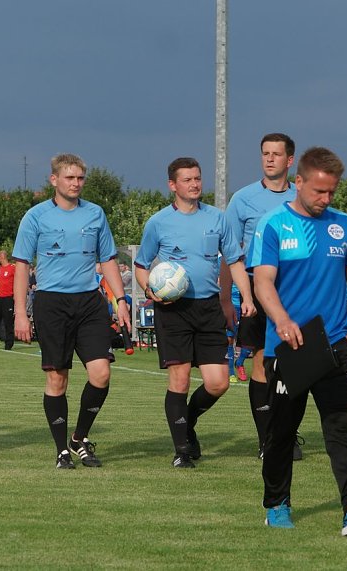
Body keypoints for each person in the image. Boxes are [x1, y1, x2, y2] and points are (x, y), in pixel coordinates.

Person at [249, 146, 347, 535]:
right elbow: (263, 282)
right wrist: (282, 320)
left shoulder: (344, 227)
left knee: (342, 429)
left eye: (332, 192)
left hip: (337, 346)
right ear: (299, 182)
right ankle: (276, 505)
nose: (326, 200)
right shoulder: (273, 224)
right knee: (282, 434)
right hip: (287, 348)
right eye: (319, 192)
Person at [13, 153, 131, 469]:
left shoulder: (95, 214)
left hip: (90, 303)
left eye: (80, 178)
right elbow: (22, 265)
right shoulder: (35, 217)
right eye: (69, 178)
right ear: (54, 180)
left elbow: (107, 259)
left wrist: (121, 300)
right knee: (57, 379)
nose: (76, 183)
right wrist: (20, 313)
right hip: (51, 303)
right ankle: (61, 450)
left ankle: (79, 439)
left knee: (101, 374)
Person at [135, 157, 255, 468]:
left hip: (208, 306)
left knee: (218, 382)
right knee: (180, 378)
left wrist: (247, 297)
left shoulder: (218, 218)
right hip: (173, 310)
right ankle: (182, 451)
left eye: (197, 178)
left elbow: (235, 260)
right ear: (172, 185)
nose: (194, 184)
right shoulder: (158, 222)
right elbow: (140, 266)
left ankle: (185, 420)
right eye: (187, 179)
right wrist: (152, 291)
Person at [224, 132, 299, 459]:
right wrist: (226, 298)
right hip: (257, 287)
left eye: (276, 154)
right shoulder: (242, 199)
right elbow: (229, 252)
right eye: (265, 153)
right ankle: (266, 438)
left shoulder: (303, 197)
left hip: (296, 290)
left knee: (295, 366)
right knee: (263, 363)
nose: (270, 159)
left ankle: (288, 433)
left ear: (289, 160)